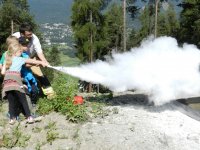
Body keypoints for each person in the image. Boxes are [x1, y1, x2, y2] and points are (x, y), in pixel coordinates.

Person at [1, 38, 48, 125]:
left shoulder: (7, 60)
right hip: (16, 81)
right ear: (15, 53)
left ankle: (12, 119)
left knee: (11, 102)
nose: (21, 53)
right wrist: (42, 62)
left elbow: (3, 72)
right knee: (23, 100)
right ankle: (29, 117)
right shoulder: (20, 59)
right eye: (20, 52)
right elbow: (32, 61)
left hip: (7, 83)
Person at [12, 22, 55, 99]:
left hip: (31, 58)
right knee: (19, 79)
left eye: (31, 34)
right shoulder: (14, 38)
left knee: (40, 75)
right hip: (17, 61)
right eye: (28, 35)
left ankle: (50, 95)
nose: (31, 36)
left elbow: (39, 52)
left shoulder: (34, 38)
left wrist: (44, 61)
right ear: (22, 34)